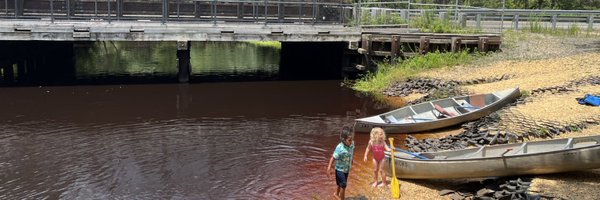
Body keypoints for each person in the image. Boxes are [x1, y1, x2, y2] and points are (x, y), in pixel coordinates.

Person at [327, 126, 355, 200]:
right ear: (343, 140)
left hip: (346, 169)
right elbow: (333, 157)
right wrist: (329, 168)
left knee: (340, 184)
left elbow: (352, 152)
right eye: (349, 140)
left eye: (352, 139)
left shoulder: (352, 144)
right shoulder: (340, 148)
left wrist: (352, 161)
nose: (351, 141)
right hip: (339, 170)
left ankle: (336, 194)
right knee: (344, 185)